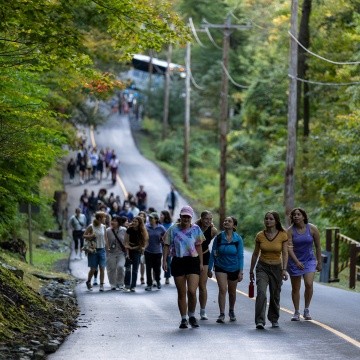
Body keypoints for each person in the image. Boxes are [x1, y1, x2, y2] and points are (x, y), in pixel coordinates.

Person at [162, 205, 205, 329]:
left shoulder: (196, 229)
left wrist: (201, 263)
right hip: (178, 261)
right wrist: (164, 260)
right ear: (180, 217)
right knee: (181, 292)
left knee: (191, 291)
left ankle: (192, 315)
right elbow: (166, 244)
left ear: (191, 218)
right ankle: (183, 318)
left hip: (193, 261)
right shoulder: (173, 229)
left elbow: (199, 246)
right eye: (183, 216)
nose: (186, 219)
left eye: (188, 216)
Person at [249, 211, 289, 329]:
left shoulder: (283, 235)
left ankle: (274, 318)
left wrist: (284, 269)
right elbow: (255, 253)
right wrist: (251, 270)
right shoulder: (260, 235)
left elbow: (285, 253)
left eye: (271, 219)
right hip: (262, 267)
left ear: (276, 221)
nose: (268, 221)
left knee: (275, 294)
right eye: (266, 218)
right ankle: (260, 321)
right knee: (261, 293)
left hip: (277, 268)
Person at [287, 208, 322, 321]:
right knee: (295, 288)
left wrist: (319, 262)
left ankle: (306, 309)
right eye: (294, 215)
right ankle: (296, 312)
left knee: (309, 284)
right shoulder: (290, 231)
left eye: (298, 214)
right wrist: (297, 262)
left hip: (309, 260)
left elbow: (317, 246)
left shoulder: (312, 229)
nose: (296, 216)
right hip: (294, 260)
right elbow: (289, 248)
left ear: (303, 216)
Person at [208, 216, 243, 323]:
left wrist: (241, 271)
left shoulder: (238, 239)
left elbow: (240, 255)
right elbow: (213, 253)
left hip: (234, 267)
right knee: (223, 289)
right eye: (225, 221)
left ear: (234, 226)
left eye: (229, 221)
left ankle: (231, 310)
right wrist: (209, 268)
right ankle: (222, 313)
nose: (226, 222)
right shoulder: (218, 238)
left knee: (232, 292)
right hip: (220, 267)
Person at [195, 211, 218, 320]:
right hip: (193, 257)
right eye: (206, 219)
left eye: (210, 219)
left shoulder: (213, 231)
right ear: (201, 218)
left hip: (205, 256)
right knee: (192, 286)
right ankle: (191, 309)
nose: (208, 221)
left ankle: (203, 310)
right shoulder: (194, 227)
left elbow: (215, 248)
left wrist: (212, 266)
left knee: (202, 285)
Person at [83, 211, 109, 292]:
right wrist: (90, 236)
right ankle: (88, 281)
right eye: (104, 217)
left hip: (102, 250)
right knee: (93, 269)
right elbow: (84, 235)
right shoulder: (91, 226)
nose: (105, 219)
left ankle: (101, 285)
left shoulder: (103, 226)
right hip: (93, 250)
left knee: (102, 267)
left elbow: (105, 238)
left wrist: (107, 247)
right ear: (99, 218)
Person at [124, 216, 149, 292]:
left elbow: (143, 244)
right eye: (133, 221)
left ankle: (133, 286)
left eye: (136, 221)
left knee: (135, 270)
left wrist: (133, 248)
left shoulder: (142, 231)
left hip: (137, 251)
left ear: (139, 223)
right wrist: (128, 252)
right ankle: (127, 285)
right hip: (129, 250)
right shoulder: (129, 230)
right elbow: (126, 242)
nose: (134, 223)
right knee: (128, 269)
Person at [144, 212, 166, 291]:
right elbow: (143, 236)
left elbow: (165, 237)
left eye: (151, 218)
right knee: (148, 268)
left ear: (156, 219)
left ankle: (158, 281)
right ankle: (149, 284)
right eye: (149, 218)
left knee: (157, 268)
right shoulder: (146, 227)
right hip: (148, 250)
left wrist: (162, 240)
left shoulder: (161, 228)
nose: (150, 220)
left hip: (157, 251)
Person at [106, 216, 128, 290]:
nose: (113, 222)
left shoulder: (124, 230)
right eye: (112, 220)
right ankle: (113, 284)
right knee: (111, 268)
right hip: (110, 253)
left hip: (121, 253)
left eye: (115, 221)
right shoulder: (108, 231)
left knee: (120, 266)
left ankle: (120, 283)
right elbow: (105, 242)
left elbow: (127, 240)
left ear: (119, 222)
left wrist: (127, 251)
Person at [159, 210, 173, 284]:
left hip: (168, 245)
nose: (160, 216)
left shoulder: (170, 225)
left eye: (161, 215)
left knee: (168, 261)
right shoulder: (158, 223)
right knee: (158, 261)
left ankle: (167, 277)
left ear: (165, 216)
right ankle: (156, 277)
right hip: (159, 244)